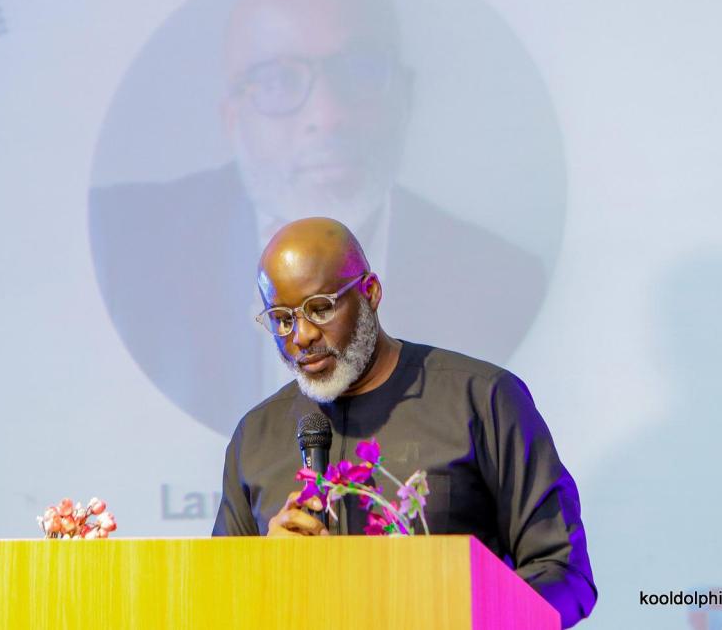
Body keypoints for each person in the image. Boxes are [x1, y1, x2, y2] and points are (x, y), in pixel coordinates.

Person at [88, 0, 546, 436]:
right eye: (279, 80)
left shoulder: (503, 283)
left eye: (362, 71)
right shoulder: (127, 251)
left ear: (405, 99)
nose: (328, 115)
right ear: (232, 119)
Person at [212, 218, 596, 628]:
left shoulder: (482, 399)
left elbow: (562, 572)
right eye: (282, 318)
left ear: (371, 292)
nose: (301, 335)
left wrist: (459, 616)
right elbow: (214, 603)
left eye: (320, 308)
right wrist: (263, 573)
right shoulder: (254, 436)